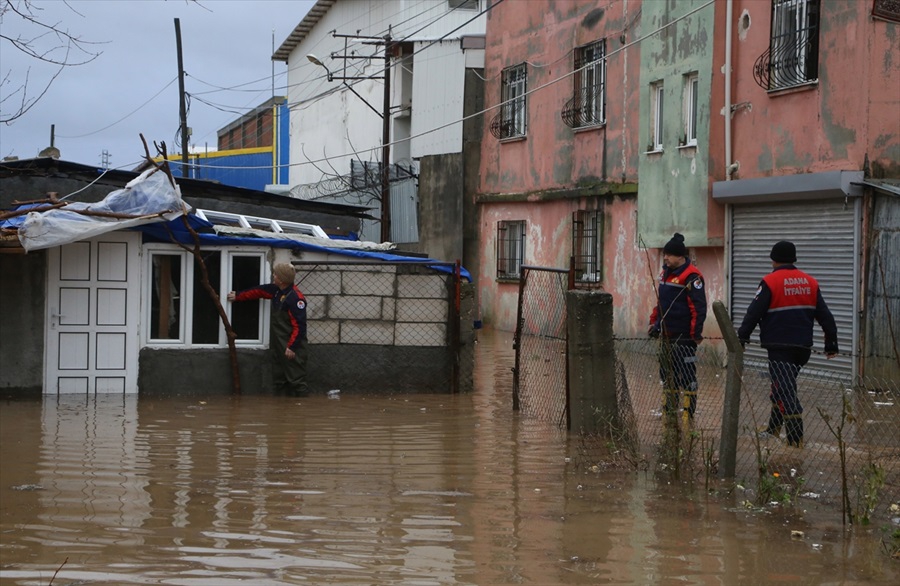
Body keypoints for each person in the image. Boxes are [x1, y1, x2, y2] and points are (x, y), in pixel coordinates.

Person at [737, 240, 838, 447]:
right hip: (802, 349)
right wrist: (831, 344)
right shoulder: (810, 282)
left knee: (785, 391)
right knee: (783, 387)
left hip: (779, 348)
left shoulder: (770, 282)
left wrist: (741, 338)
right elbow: (826, 317)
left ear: (773, 259)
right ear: (794, 259)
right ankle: (773, 431)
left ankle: (795, 442)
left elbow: (753, 313)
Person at [648, 233, 707, 420]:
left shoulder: (692, 276)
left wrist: (694, 333)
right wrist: (654, 323)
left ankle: (688, 416)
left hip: (684, 337)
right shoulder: (665, 273)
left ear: (680, 256)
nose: (665, 258)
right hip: (665, 334)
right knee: (666, 374)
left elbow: (699, 308)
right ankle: (669, 413)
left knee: (687, 376)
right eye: (665, 254)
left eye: (669, 255)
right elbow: (661, 302)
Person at [227, 262, 309, 396]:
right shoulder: (277, 290)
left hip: (292, 347)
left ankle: (300, 409)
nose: (273, 275)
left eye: (275, 274)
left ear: (281, 280)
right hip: (279, 345)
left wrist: (292, 347)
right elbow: (259, 291)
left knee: (296, 380)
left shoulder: (295, 299)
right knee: (279, 378)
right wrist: (238, 296)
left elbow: (300, 326)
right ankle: (282, 410)